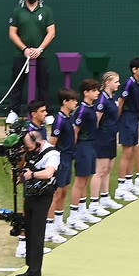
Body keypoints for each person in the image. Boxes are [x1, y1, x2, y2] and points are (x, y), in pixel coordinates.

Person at [6, 0, 56, 122]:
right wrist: (24, 49)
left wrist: (39, 49)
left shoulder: (46, 10)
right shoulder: (18, 11)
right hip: (21, 55)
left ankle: (47, 113)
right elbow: (12, 33)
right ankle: (13, 112)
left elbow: (51, 32)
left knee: (43, 85)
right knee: (17, 85)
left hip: (41, 55)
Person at [15, 131, 59, 276]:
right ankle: (30, 268)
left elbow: (48, 173)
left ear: (38, 144)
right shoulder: (34, 151)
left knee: (37, 233)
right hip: (31, 194)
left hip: (43, 197)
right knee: (29, 230)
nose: (29, 150)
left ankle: (35, 274)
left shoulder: (52, 154)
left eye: (30, 147)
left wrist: (32, 174)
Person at [66, 79, 102, 231]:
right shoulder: (82, 110)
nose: (97, 92)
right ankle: (73, 217)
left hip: (90, 146)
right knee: (80, 181)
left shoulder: (91, 108)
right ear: (86, 92)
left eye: (97, 90)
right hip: (83, 147)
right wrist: (74, 150)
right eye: (93, 90)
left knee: (85, 180)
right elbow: (75, 131)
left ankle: (82, 211)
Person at [115, 58, 139, 201]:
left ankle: (129, 183)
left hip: (134, 119)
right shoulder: (129, 84)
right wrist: (117, 122)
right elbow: (120, 104)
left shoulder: (137, 83)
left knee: (132, 152)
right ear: (134, 70)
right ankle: (121, 187)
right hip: (127, 120)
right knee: (127, 153)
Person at [46, 88, 79, 244]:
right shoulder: (59, 121)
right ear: (65, 102)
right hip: (60, 159)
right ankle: (48, 229)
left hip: (67, 158)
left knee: (63, 192)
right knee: (56, 194)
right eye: (73, 100)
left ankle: (58, 224)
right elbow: (52, 143)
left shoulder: (68, 118)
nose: (76, 103)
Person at [91, 72, 124, 216]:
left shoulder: (112, 97)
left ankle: (105, 197)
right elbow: (95, 122)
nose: (118, 84)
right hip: (102, 139)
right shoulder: (101, 100)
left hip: (111, 138)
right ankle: (93, 202)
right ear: (107, 82)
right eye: (116, 82)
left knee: (109, 168)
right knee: (100, 170)